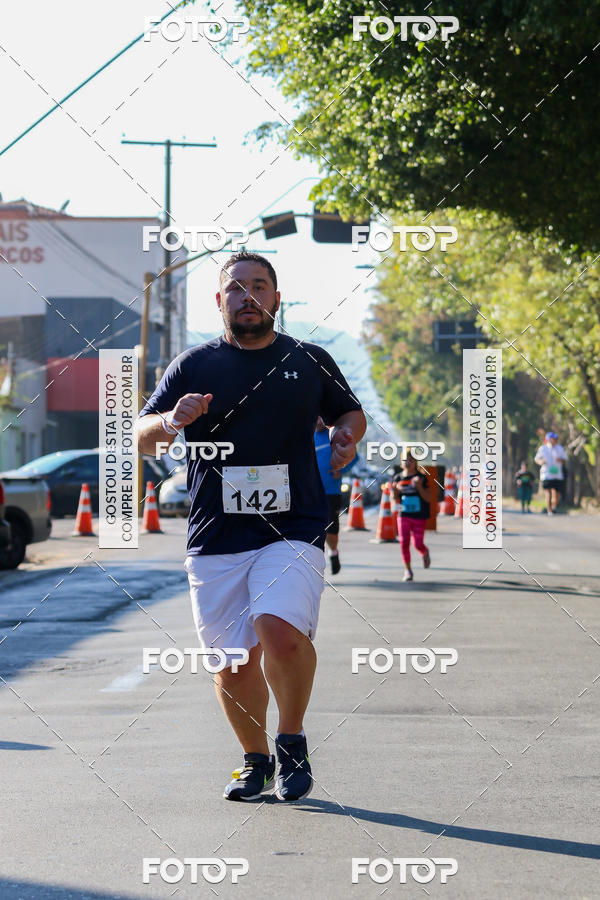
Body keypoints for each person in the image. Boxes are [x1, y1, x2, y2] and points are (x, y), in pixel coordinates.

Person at [136, 251, 366, 804]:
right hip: (216, 535)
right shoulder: (193, 365)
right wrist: (170, 421)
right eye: (235, 288)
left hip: (294, 524)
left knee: (278, 631)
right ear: (220, 302)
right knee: (233, 663)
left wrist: (346, 436)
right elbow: (142, 435)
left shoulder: (310, 360)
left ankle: (291, 743)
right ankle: (254, 760)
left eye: (258, 285)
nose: (247, 296)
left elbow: (350, 412)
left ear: (276, 298)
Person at [314, 417, 358, 574]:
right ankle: (317, 561)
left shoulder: (334, 435)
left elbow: (355, 457)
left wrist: (341, 469)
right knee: (314, 527)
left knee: (331, 528)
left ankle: (333, 552)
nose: (319, 421)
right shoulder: (308, 436)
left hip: (332, 491)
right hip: (312, 491)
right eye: (316, 417)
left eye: (321, 418)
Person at [390, 453, 432, 581]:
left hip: (419, 515)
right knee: (404, 542)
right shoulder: (397, 478)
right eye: (405, 460)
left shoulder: (422, 478)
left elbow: (428, 498)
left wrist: (419, 486)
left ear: (415, 462)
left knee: (417, 543)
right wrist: (394, 491)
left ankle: (424, 552)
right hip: (403, 515)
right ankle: (408, 570)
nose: (407, 462)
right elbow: (394, 498)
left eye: (410, 460)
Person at [534, 432, 567, 515]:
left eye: (556, 438)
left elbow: (564, 460)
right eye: (554, 438)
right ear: (549, 439)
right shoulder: (543, 448)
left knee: (557, 494)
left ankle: (554, 506)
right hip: (546, 474)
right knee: (548, 492)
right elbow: (536, 459)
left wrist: (560, 460)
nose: (555, 440)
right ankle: (549, 511)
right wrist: (541, 461)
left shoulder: (560, 448)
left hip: (557, 474)